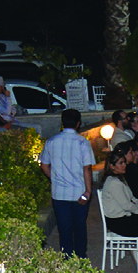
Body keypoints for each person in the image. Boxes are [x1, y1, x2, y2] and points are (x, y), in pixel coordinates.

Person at [41, 110, 97, 260]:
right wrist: (88, 191)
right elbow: (87, 168)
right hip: (79, 192)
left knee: (64, 228)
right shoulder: (83, 143)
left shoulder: (51, 141)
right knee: (79, 226)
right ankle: (80, 256)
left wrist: (55, 177)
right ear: (78, 124)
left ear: (62, 123)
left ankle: (67, 257)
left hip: (59, 193)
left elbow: (44, 165)